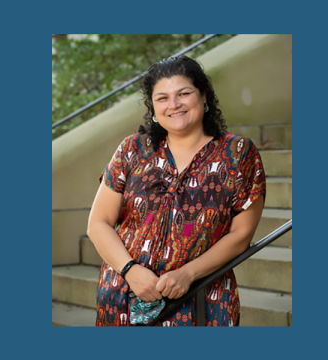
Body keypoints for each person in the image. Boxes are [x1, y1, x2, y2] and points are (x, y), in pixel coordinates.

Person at [87, 55, 266, 326]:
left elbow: (241, 235)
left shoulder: (239, 154)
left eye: (184, 93)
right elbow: (98, 223)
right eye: (162, 98)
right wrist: (130, 270)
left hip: (202, 298)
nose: (174, 105)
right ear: (153, 106)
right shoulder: (133, 149)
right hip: (124, 296)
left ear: (203, 96)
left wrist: (187, 274)